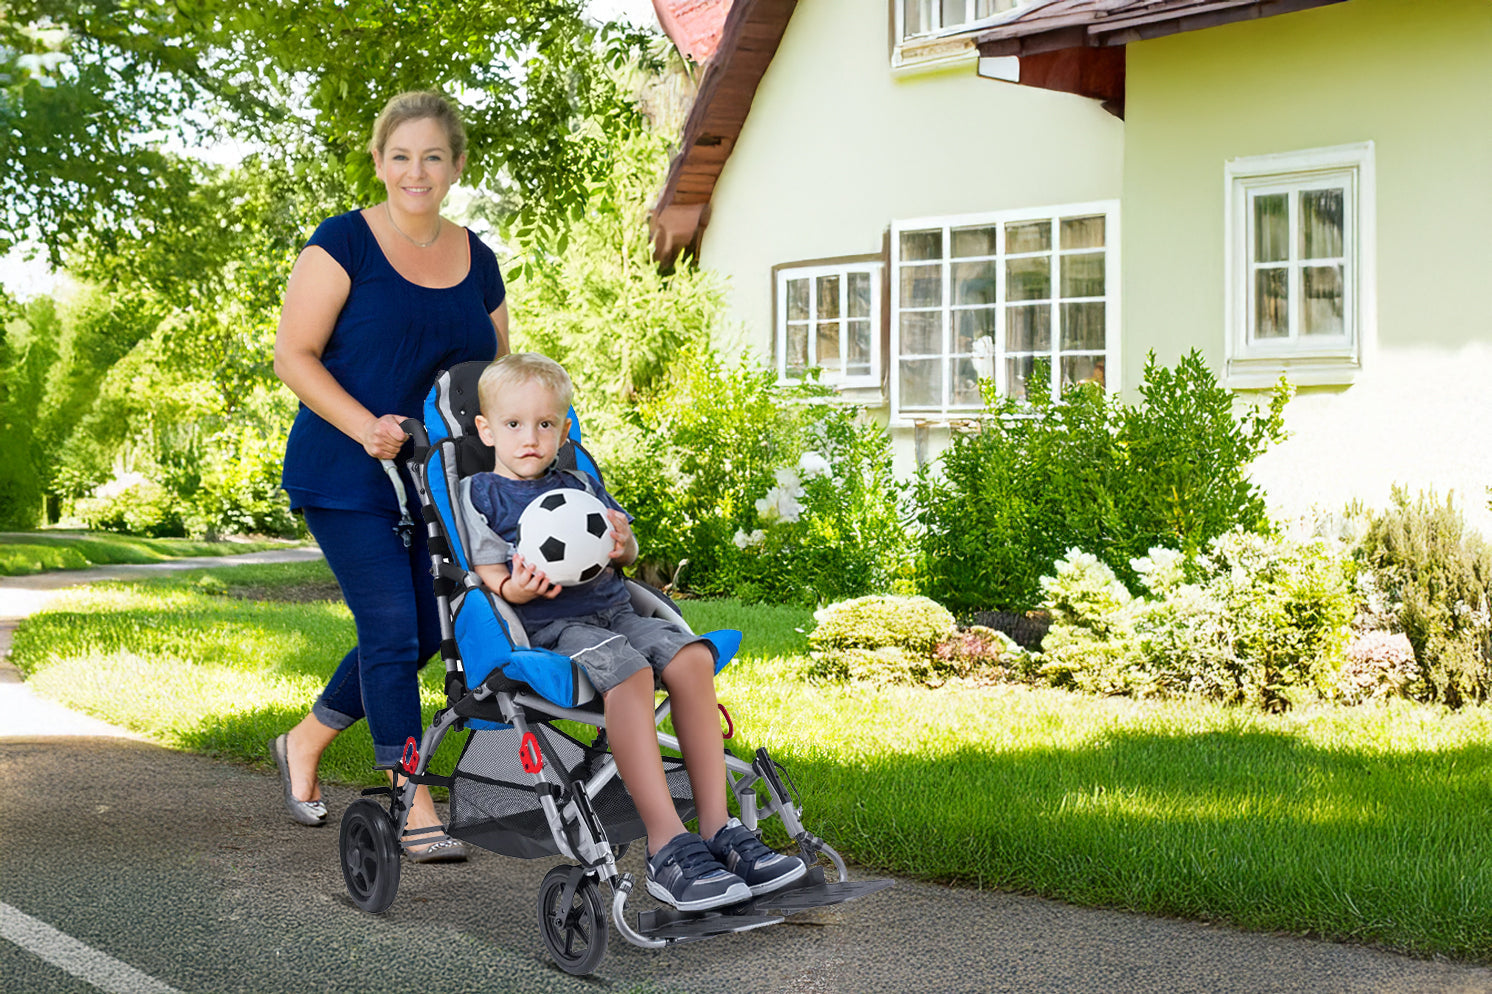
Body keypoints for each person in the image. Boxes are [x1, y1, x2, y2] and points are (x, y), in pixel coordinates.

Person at [461, 353, 807, 911]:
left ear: (564, 431)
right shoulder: (481, 494)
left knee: (692, 658)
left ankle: (719, 828)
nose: (530, 438)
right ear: (486, 430)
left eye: (545, 424)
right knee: (631, 672)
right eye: (514, 424)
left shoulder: (580, 484)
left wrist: (624, 546)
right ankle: (667, 844)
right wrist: (517, 589)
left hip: (619, 613)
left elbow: (625, 551)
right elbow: (488, 575)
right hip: (556, 627)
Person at [271, 91, 508, 863]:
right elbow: (293, 356)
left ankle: (305, 741)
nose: (416, 172)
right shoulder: (343, 243)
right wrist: (363, 425)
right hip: (346, 469)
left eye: (433, 156)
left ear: (456, 165)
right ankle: (412, 796)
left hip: (436, 479)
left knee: (427, 630)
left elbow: (495, 378)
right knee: (392, 628)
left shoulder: (479, 259)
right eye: (401, 156)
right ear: (378, 161)